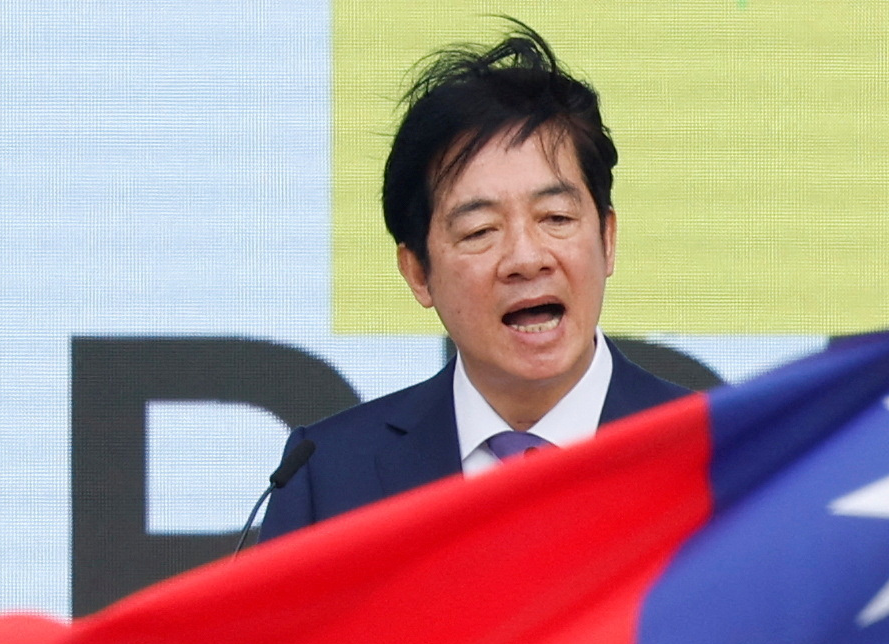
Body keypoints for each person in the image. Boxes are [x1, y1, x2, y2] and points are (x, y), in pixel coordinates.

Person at [259, 22, 689, 541]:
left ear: (607, 238)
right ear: (418, 273)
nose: (526, 258)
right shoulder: (328, 480)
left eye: (556, 218)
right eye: (480, 231)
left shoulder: (720, 452)